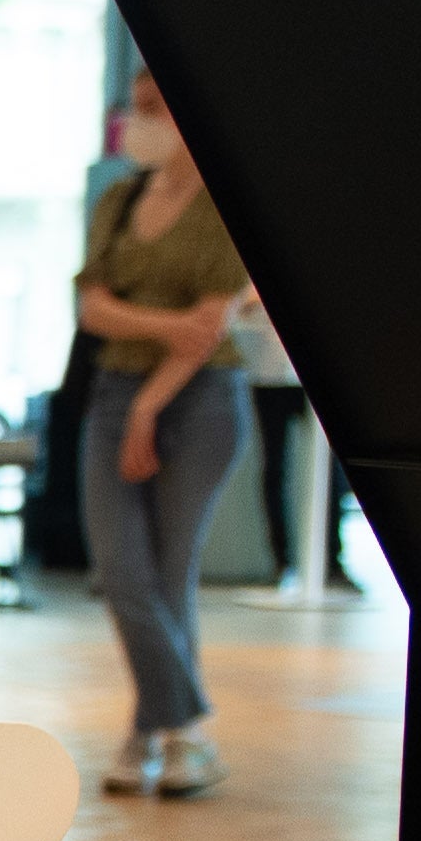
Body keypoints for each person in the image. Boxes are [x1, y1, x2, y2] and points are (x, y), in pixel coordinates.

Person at [73, 69, 253, 799]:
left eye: (151, 109)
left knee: (169, 571)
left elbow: (209, 329)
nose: (136, 123)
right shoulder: (118, 199)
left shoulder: (222, 206)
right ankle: (180, 726)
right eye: (134, 108)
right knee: (124, 571)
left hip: (199, 399)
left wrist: (150, 403)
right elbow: (91, 307)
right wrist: (161, 327)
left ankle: (149, 733)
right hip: (115, 391)